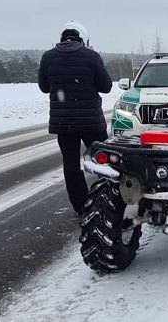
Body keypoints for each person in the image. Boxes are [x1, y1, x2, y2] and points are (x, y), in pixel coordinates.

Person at [38, 20, 113, 214]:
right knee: (105, 162)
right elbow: (106, 87)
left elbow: (44, 87)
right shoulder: (91, 57)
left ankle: (82, 206)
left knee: (71, 167)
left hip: (64, 124)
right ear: (83, 38)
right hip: (91, 123)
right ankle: (111, 199)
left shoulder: (48, 57)